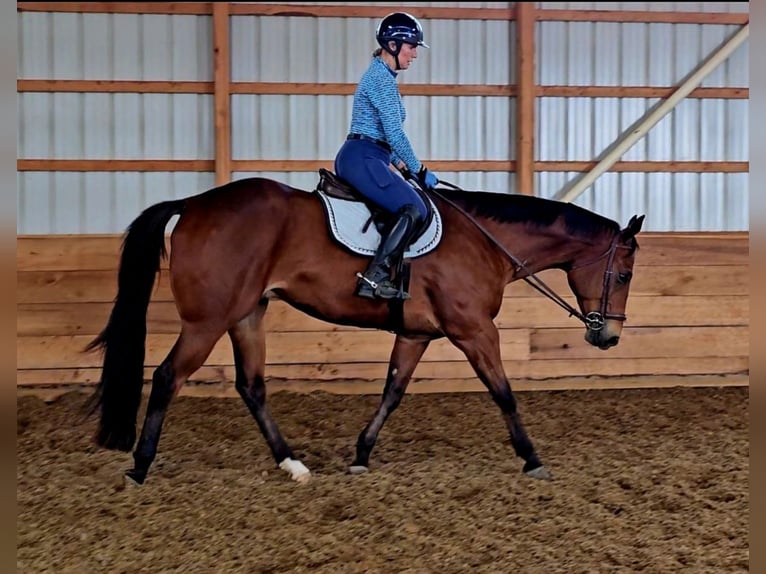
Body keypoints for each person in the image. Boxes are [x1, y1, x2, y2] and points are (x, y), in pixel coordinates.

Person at [334, 12, 439, 301]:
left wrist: (400, 164)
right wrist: (419, 170)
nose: (415, 54)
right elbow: (394, 134)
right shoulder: (381, 79)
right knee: (413, 208)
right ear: (392, 45)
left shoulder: (383, 77)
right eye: (412, 46)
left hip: (374, 155)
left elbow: (384, 137)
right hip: (363, 156)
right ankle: (374, 276)